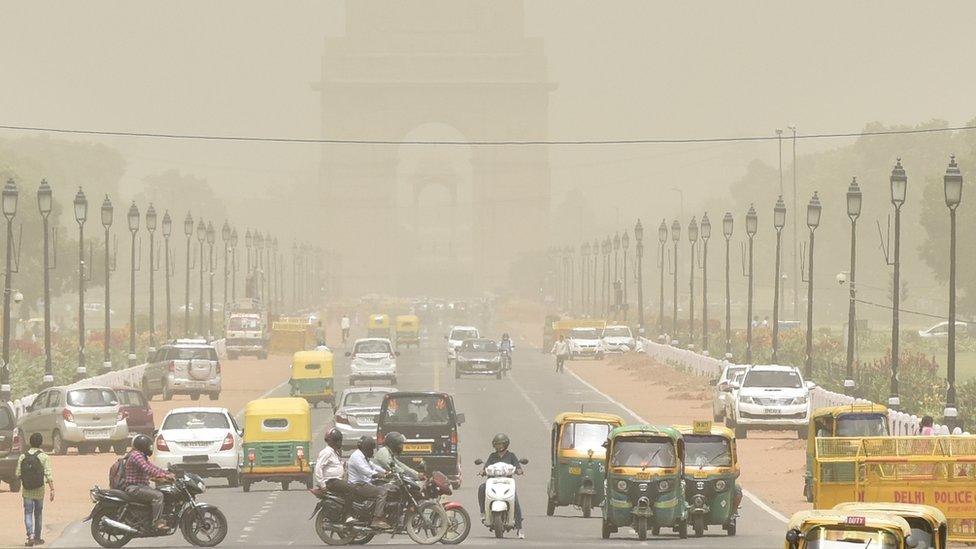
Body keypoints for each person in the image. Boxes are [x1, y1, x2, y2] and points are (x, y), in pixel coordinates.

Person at [123, 434, 174, 532]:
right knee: (158, 496)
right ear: (142, 445)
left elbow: (152, 467)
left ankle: (150, 518)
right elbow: (147, 468)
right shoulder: (136, 455)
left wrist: (166, 473)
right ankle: (157, 523)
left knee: (159, 491)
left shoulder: (141, 455)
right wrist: (164, 476)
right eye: (148, 445)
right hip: (134, 488)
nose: (149, 448)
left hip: (140, 486)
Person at [477, 433, 524, 539]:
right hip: (492, 482)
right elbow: (486, 467)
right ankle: (483, 512)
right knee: (481, 488)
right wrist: (482, 471)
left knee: (515, 500)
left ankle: (519, 527)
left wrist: (519, 470)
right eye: (497, 444)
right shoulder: (492, 456)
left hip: (507, 483)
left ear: (506, 444)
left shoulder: (511, 456)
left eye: (500, 444)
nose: (498, 446)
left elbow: (518, 467)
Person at [347, 436, 392, 529]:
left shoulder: (363, 456)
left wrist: (386, 471)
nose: (372, 451)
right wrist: (379, 475)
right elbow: (366, 471)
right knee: (382, 492)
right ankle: (377, 519)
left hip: (364, 483)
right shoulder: (356, 457)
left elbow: (373, 465)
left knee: (385, 485)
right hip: (358, 485)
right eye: (371, 448)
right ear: (367, 448)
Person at [17, 433, 53, 547]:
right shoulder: (44, 457)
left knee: (28, 512)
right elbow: (48, 474)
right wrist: (52, 489)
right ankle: (37, 538)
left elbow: (18, 473)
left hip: (27, 490)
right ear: (41, 443)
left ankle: (30, 536)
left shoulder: (23, 456)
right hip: (40, 490)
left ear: (30, 442)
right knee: (38, 513)